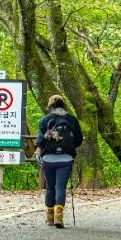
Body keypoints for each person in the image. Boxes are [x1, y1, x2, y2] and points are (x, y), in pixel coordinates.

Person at [35, 95, 83, 229]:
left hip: (48, 159)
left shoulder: (45, 119)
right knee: (60, 187)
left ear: (50, 106)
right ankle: (58, 216)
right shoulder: (71, 119)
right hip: (66, 158)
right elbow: (78, 140)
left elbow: (40, 139)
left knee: (50, 186)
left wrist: (38, 153)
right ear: (63, 104)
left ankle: (50, 216)